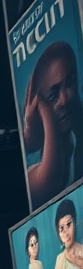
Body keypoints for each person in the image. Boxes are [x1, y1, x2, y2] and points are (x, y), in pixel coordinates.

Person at [23, 41, 83, 208]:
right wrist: (44, 111)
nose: (64, 100)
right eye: (53, 95)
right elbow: (51, 176)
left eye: (70, 82)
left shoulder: (75, 141)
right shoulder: (32, 172)